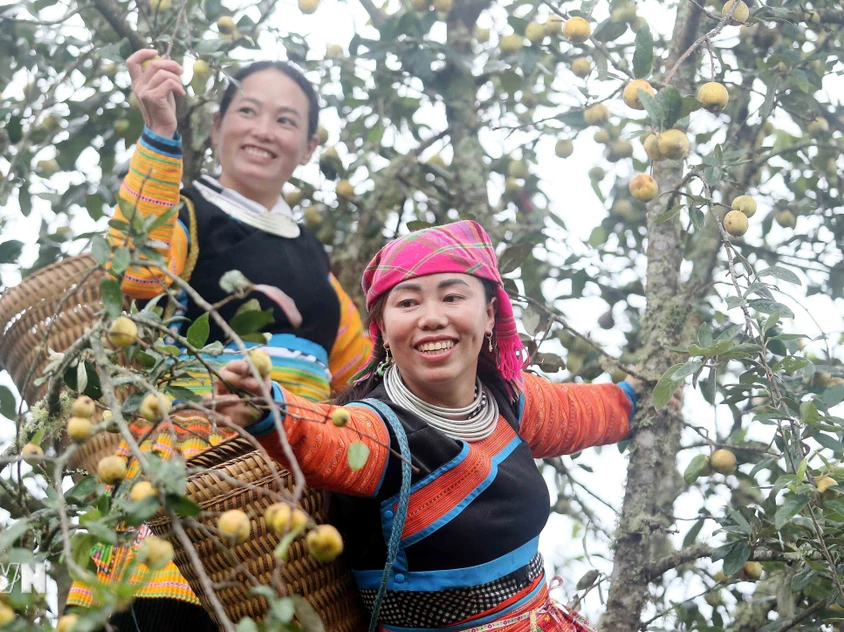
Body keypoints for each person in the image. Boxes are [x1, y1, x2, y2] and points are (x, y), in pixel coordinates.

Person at [211, 220, 652, 631]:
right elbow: (324, 439)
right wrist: (270, 411)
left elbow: (587, 412)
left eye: (452, 296)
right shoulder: (383, 433)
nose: (432, 317)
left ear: (490, 314)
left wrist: (643, 395)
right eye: (408, 302)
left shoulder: (507, 398)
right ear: (382, 327)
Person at [66, 50, 372, 631]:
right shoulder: (189, 217)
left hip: (294, 486)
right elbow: (133, 274)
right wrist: (160, 135)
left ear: (308, 149)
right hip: (196, 462)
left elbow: (360, 376)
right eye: (249, 111)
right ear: (216, 126)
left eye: (286, 121)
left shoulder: (315, 261)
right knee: (153, 606)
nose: (263, 130)